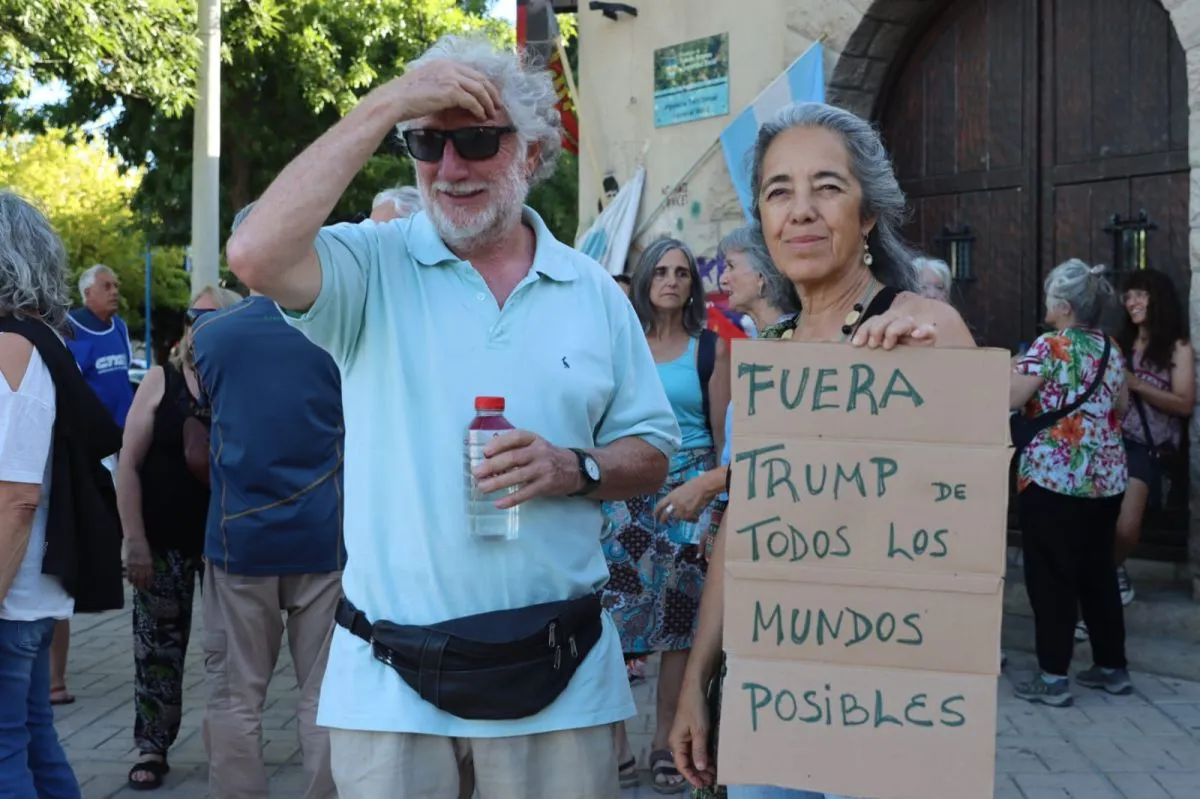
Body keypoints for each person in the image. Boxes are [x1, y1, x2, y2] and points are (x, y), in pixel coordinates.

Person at [224, 34, 680, 799]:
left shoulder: (594, 292)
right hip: (392, 686)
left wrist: (574, 467)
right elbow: (255, 254)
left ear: (533, 153)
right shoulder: (371, 264)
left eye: (476, 139)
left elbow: (655, 451)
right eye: (426, 142)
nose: (450, 166)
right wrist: (390, 101)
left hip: (557, 681)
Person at [667, 102, 975, 799]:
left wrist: (931, 344)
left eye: (827, 187)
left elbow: (966, 496)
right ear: (764, 220)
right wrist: (695, 682)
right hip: (772, 689)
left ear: (867, 214)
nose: (801, 210)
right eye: (780, 191)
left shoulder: (918, 328)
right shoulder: (769, 356)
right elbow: (745, 524)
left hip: (886, 696)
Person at [191, 208, 345, 799]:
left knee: (235, 697)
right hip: (324, 537)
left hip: (239, 540)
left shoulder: (212, 336)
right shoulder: (336, 331)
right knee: (326, 694)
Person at [0, 190, 124, 798]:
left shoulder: (10, 347)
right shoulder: (39, 341)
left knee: (5, 752)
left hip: (10, 590)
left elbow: (18, 497)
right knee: (31, 736)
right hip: (32, 588)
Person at [603, 237, 729, 793]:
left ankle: (662, 745)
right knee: (612, 620)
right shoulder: (616, 345)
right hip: (626, 495)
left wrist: (719, 505)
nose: (673, 281)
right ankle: (615, 748)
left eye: (683, 273)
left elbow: (725, 438)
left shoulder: (712, 350)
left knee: (680, 626)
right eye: (662, 272)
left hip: (688, 495)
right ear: (645, 281)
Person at [117, 284, 243, 791]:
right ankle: (152, 746)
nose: (200, 327)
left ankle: (231, 751)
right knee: (156, 652)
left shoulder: (239, 379)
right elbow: (127, 463)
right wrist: (134, 541)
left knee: (230, 653)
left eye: (212, 318)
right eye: (195, 317)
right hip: (163, 541)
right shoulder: (159, 380)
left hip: (227, 545)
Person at [1010, 259, 1130, 707]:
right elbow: (1121, 405)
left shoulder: (1050, 345)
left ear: (1062, 306)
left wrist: (1013, 370)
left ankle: (1053, 677)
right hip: (1106, 477)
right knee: (1098, 572)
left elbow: (1010, 398)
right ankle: (1112, 667)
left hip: (1054, 478)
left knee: (1052, 577)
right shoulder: (1110, 348)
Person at [51, 262, 135, 705]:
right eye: (107, 285)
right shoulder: (73, 328)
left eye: (116, 284)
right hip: (92, 438)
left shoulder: (119, 326)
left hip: (124, 434)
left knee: (128, 498)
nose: (114, 290)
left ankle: (124, 549)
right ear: (87, 293)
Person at [1112, 269, 1194, 605]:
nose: (1132, 302)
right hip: (1109, 443)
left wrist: (1136, 383)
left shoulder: (1178, 348)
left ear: (1158, 298)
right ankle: (1101, 580)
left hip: (1147, 449)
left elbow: (1184, 403)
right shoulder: (1120, 344)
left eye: (1140, 295)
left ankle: (1110, 568)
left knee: (1126, 528)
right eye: (1128, 296)